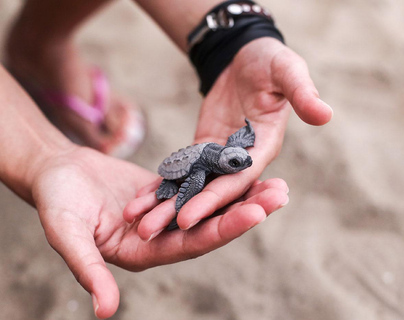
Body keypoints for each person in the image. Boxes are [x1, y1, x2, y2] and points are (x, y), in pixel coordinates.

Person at [0, 0, 332, 318]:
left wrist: (233, 38)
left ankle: (38, 45)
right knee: (176, 194)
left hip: (199, 154)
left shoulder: (232, 148)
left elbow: (238, 147)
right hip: (178, 168)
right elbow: (190, 184)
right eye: (236, 163)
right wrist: (40, 157)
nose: (241, 163)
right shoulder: (202, 171)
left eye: (238, 159)